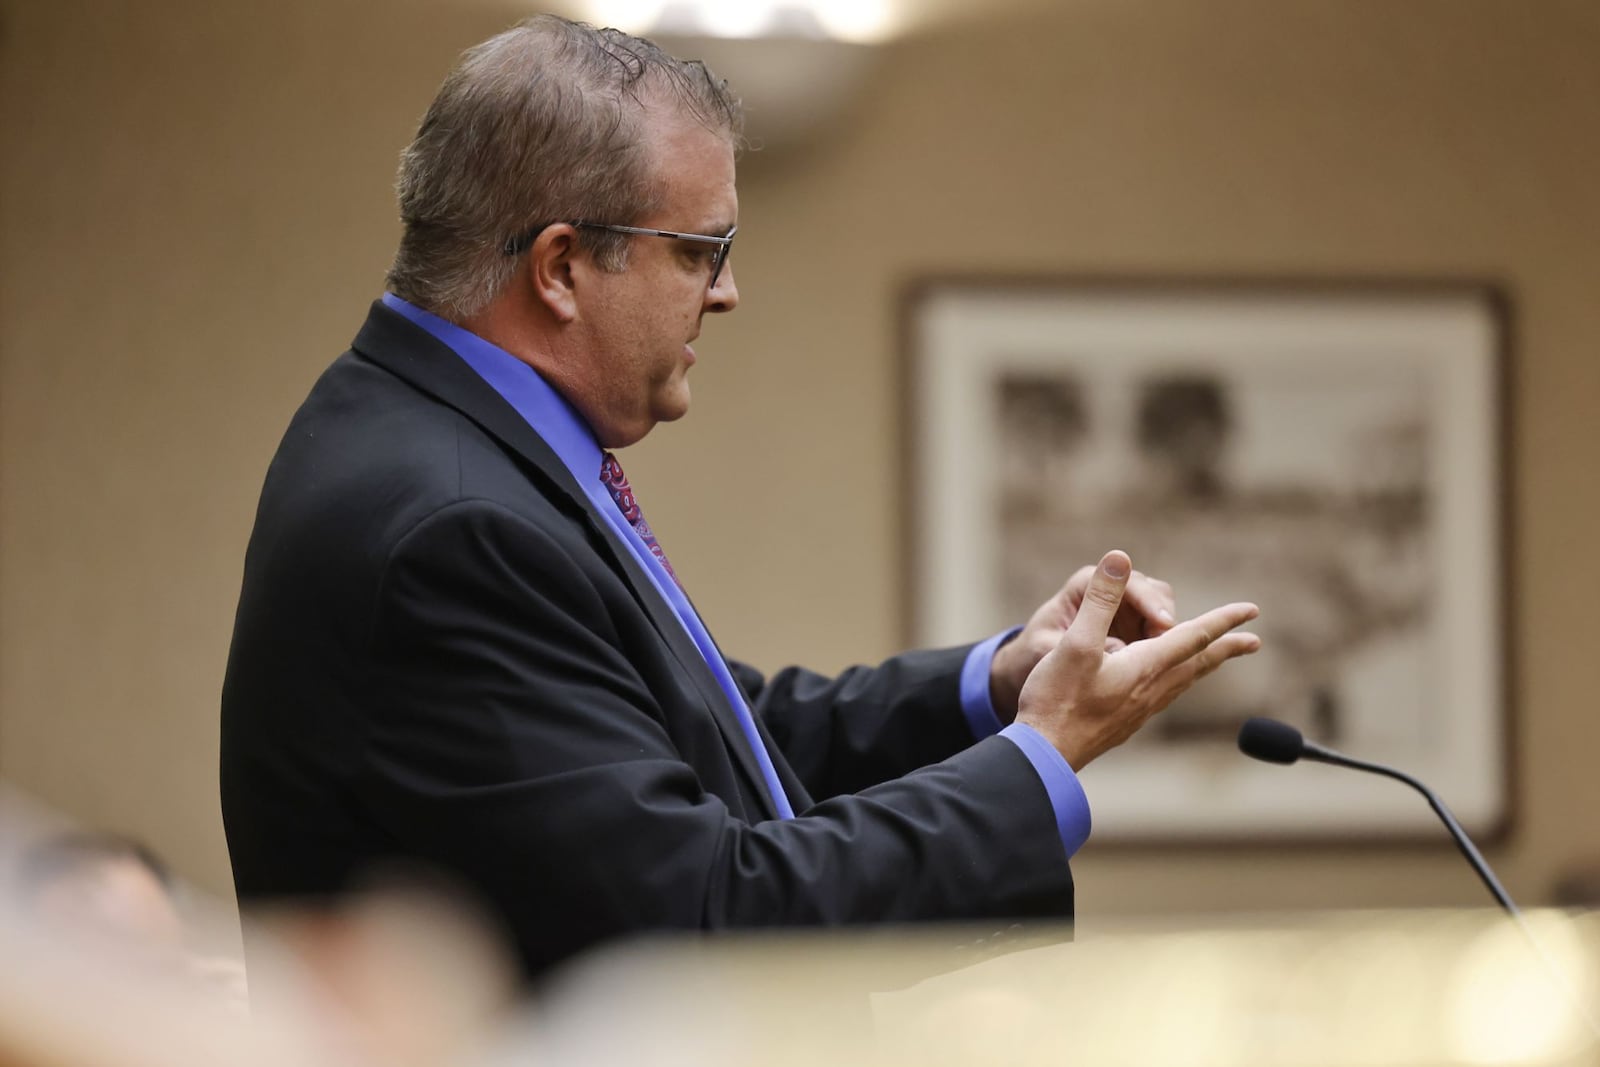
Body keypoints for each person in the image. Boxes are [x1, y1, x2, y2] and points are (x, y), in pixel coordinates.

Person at [220, 14, 1261, 979]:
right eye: (700, 252)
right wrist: (1041, 757)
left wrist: (996, 682)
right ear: (561, 266)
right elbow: (706, 915)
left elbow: (712, 737)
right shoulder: (453, 524)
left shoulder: (439, 439)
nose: (725, 292)